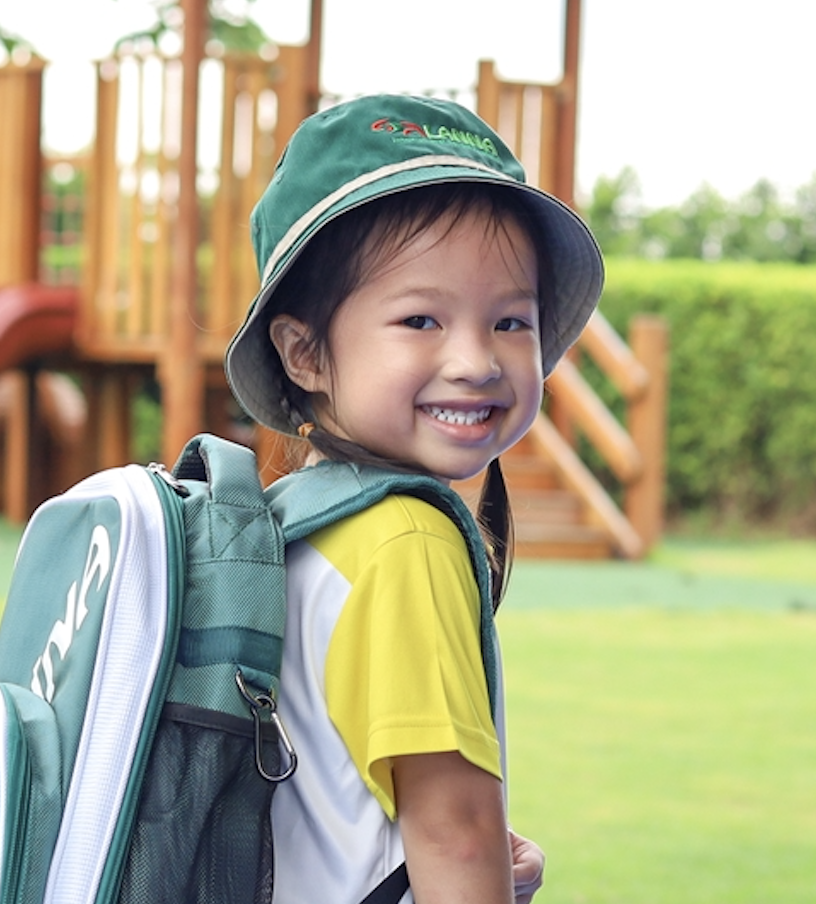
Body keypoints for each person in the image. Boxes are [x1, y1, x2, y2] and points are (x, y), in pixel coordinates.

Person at [223, 94, 604, 903]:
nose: (474, 360)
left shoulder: (296, 523)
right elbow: (454, 832)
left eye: (510, 322)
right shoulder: (407, 543)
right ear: (304, 353)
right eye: (421, 318)